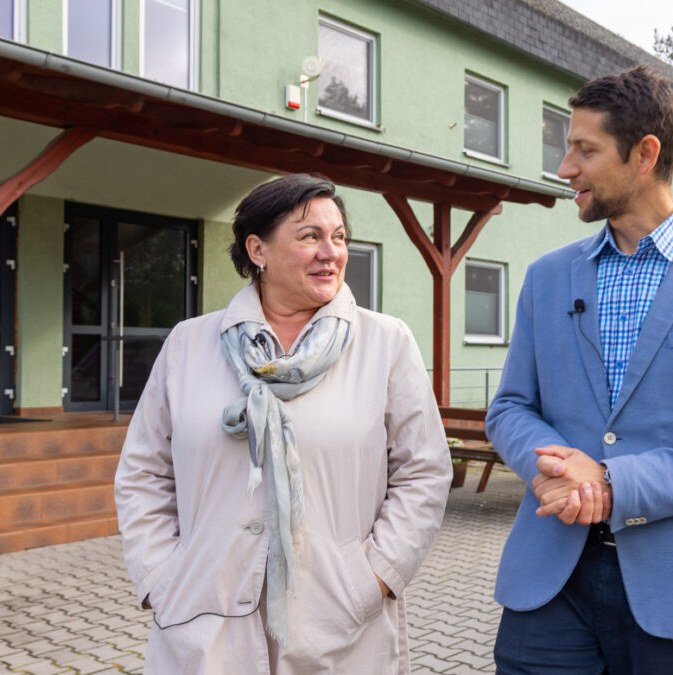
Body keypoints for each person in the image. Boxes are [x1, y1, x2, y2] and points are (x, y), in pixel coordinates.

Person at [486, 66, 673, 674]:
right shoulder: (547, 276)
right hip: (548, 585)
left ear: (645, 154)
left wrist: (609, 482)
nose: (565, 167)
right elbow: (511, 407)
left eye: (585, 149)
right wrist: (557, 469)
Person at [114, 173, 452, 674]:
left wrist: (373, 579)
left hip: (338, 623)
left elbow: (423, 473)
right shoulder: (188, 344)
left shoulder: (386, 344)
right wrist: (162, 578)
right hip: (204, 615)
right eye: (309, 236)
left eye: (338, 237)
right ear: (258, 249)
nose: (331, 252)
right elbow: (143, 472)